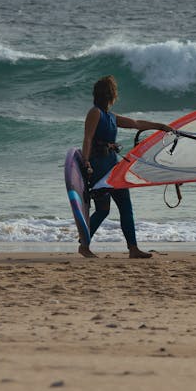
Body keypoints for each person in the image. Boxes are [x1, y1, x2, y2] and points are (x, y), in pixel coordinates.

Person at [80, 75, 172, 259]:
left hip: (113, 165)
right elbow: (88, 138)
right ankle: (84, 245)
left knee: (125, 206)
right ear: (111, 95)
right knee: (103, 209)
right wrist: (86, 162)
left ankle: (133, 248)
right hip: (99, 165)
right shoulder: (95, 113)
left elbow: (136, 124)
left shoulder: (112, 117)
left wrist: (160, 126)